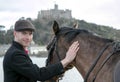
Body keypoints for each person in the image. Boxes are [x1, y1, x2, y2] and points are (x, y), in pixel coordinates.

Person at [3, 19, 79, 82]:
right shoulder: (15, 54)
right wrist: (66, 60)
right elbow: (39, 75)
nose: (28, 37)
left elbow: (32, 76)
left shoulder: (17, 51)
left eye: (30, 34)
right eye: (24, 33)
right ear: (15, 34)